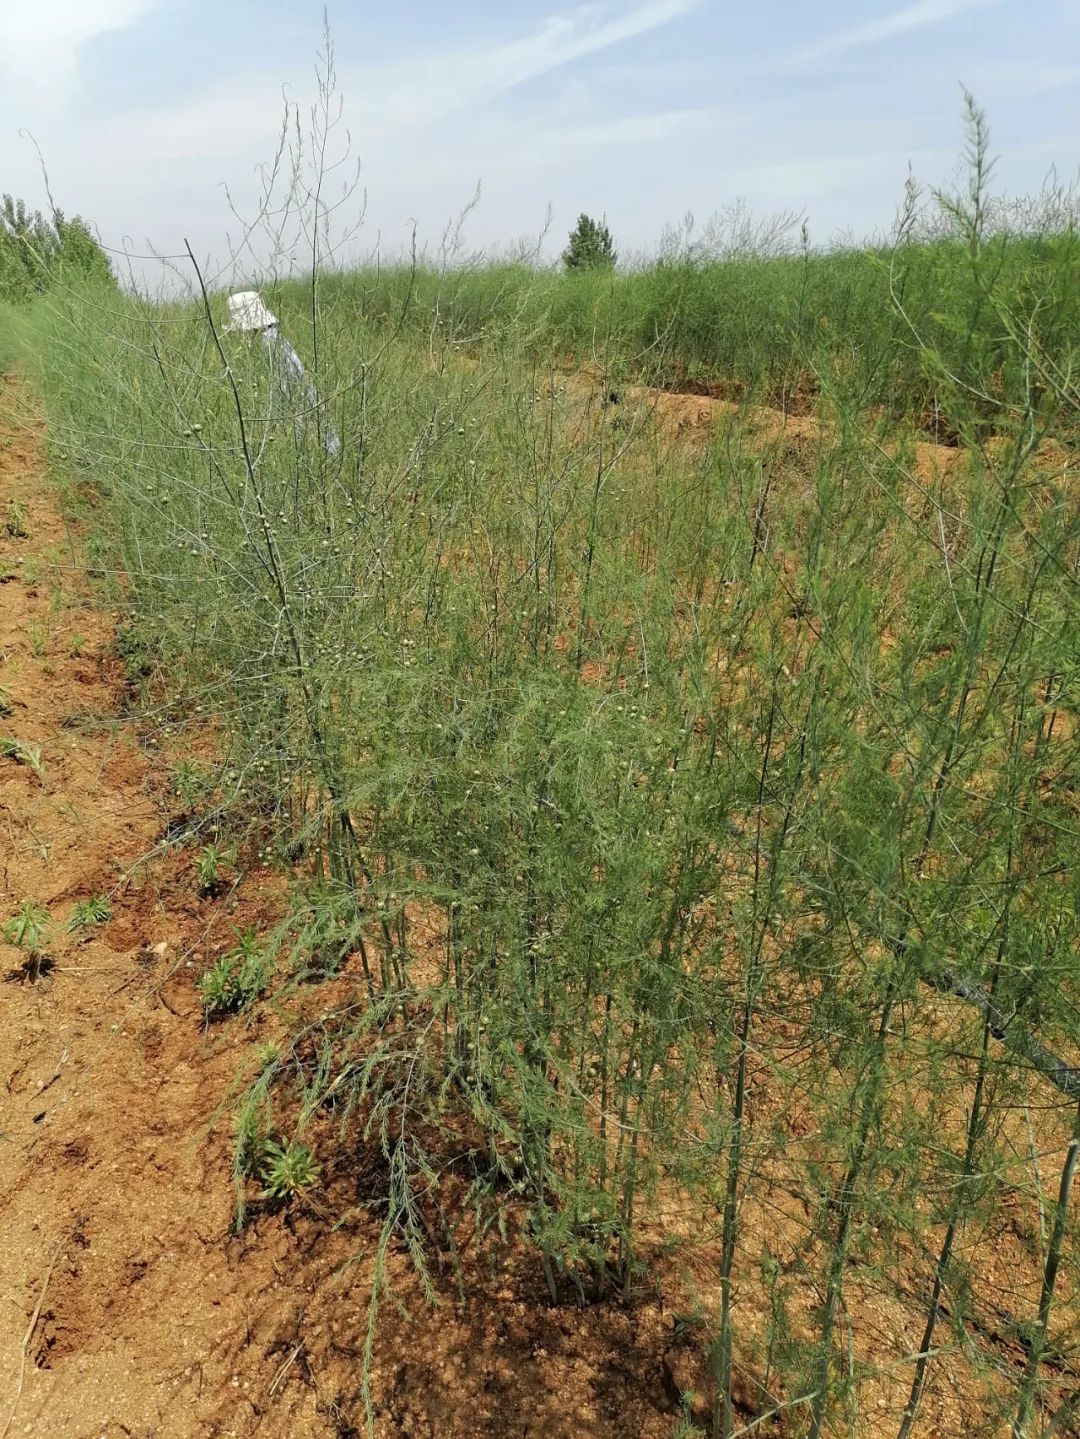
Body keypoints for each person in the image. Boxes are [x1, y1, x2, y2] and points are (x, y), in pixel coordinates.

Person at [222, 290, 340, 457]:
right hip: (299, 398)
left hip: (295, 401)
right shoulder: (271, 337)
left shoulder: (268, 344)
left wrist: (270, 421)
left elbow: (281, 387)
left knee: (307, 445)